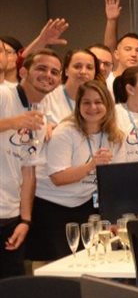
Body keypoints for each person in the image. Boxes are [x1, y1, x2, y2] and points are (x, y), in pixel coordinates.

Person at [30, 80, 123, 262]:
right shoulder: (66, 132)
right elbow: (58, 177)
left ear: (108, 105)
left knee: (84, 261)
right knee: (55, 268)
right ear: (78, 105)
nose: (92, 107)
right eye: (86, 102)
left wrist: (112, 217)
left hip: (83, 204)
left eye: (98, 102)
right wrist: (91, 166)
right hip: (51, 206)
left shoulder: (114, 136)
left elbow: (114, 181)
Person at [0, 49, 60, 277]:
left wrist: (25, 220)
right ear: (24, 71)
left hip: (11, 217)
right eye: (41, 68)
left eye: (55, 72)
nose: (48, 75)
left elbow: (28, 173)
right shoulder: (4, 95)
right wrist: (10, 122)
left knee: (10, 292)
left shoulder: (41, 117)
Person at [40, 49, 98, 128]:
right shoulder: (48, 96)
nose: (84, 72)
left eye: (89, 67)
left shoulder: (99, 102)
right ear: (66, 71)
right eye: (77, 66)